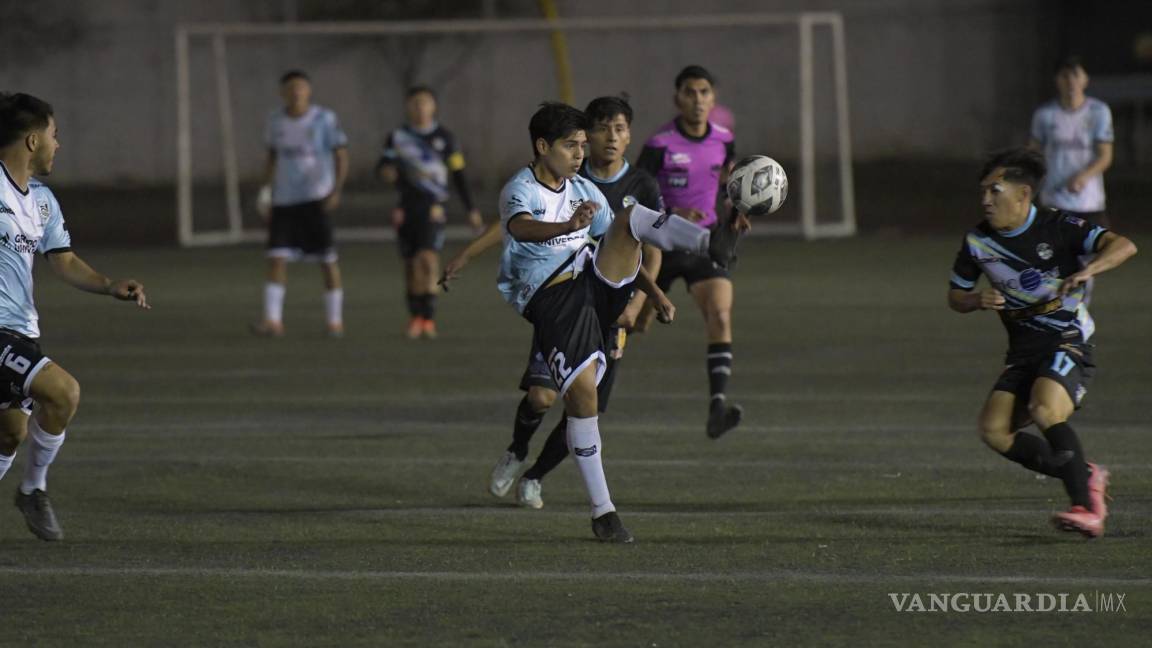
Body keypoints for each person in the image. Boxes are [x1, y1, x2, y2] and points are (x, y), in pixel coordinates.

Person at [495, 102, 740, 542]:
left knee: (628, 218)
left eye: (581, 146)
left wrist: (655, 292)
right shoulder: (521, 187)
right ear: (542, 146)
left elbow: (623, 238)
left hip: (594, 283)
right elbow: (521, 227)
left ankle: (711, 243)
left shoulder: (583, 188)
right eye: (571, 145)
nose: (578, 153)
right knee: (581, 400)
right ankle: (602, 511)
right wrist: (567, 226)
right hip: (552, 297)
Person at [484, 95, 669, 510]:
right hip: (561, 300)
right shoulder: (549, 183)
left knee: (585, 407)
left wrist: (650, 295)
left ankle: (536, 477)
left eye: (618, 129)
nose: (605, 139)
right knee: (541, 398)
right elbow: (517, 224)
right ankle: (518, 449)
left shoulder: (638, 185)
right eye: (598, 130)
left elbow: (641, 247)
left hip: (610, 306)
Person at [948, 148, 1136, 539]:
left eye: (994, 191)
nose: (985, 199)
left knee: (1045, 407)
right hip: (1023, 351)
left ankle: (1086, 506)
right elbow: (955, 295)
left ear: (1023, 194)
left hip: (1068, 338)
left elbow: (1124, 246)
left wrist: (1090, 270)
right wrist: (974, 300)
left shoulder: (1059, 226)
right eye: (982, 191)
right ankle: (1085, 473)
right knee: (995, 431)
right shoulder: (977, 242)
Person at [0, 92, 150, 541]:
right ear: (32, 140)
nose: (57, 144)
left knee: (10, 435)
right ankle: (34, 490)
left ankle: (29, 487)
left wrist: (108, 285)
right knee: (63, 392)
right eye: (54, 135)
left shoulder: (42, 201)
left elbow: (63, 260)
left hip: (22, 331)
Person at [635, 65, 746, 439]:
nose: (697, 100)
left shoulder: (724, 139)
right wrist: (672, 212)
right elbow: (634, 199)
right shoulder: (659, 144)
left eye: (704, 93)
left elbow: (730, 185)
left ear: (713, 99)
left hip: (703, 243)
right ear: (677, 98)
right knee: (634, 323)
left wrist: (737, 214)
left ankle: (717, 406)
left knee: (720, 313)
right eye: (690, 92)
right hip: (660, 245)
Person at [377, 86, 482, 339]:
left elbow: (459, 176)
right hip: (405, 207)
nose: (420, 107)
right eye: (415, 103)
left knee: (428, 259)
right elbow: (383, 165)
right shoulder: (397, 137)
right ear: (407, 107)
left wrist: (471, 209)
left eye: (424, 103)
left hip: (434, 207)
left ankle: (428, 319)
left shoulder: (445, 138)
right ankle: (415, 317)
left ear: (433, 106)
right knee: (411, 265)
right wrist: (385, 171)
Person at [251, 70, 348, 338]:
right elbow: (272, 157)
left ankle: (334, 321)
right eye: (291, 88)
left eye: (301, 87)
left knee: (327, 260)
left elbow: (341, 155)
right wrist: (265, 191)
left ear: (309, 91)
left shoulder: (324, 119)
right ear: (283, 93)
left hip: (316, 198)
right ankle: (272, 321)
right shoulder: (275, 121)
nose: (296, 92)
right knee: (276, 257)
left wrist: (336, 190)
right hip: (284, 201)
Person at [1029, 56, 1114, 228]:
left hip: (1088, 201)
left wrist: (1083, 177)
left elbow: (1105, 156)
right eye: (1064, 76)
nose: (1071, 81)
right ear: (1056, 80)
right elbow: (1033, 153)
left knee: (1100, 251)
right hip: (1054, 199)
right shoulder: (1045, 114)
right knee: (1053, 253)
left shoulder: (1098, 111)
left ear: (1085, 79)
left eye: (1076, 75)